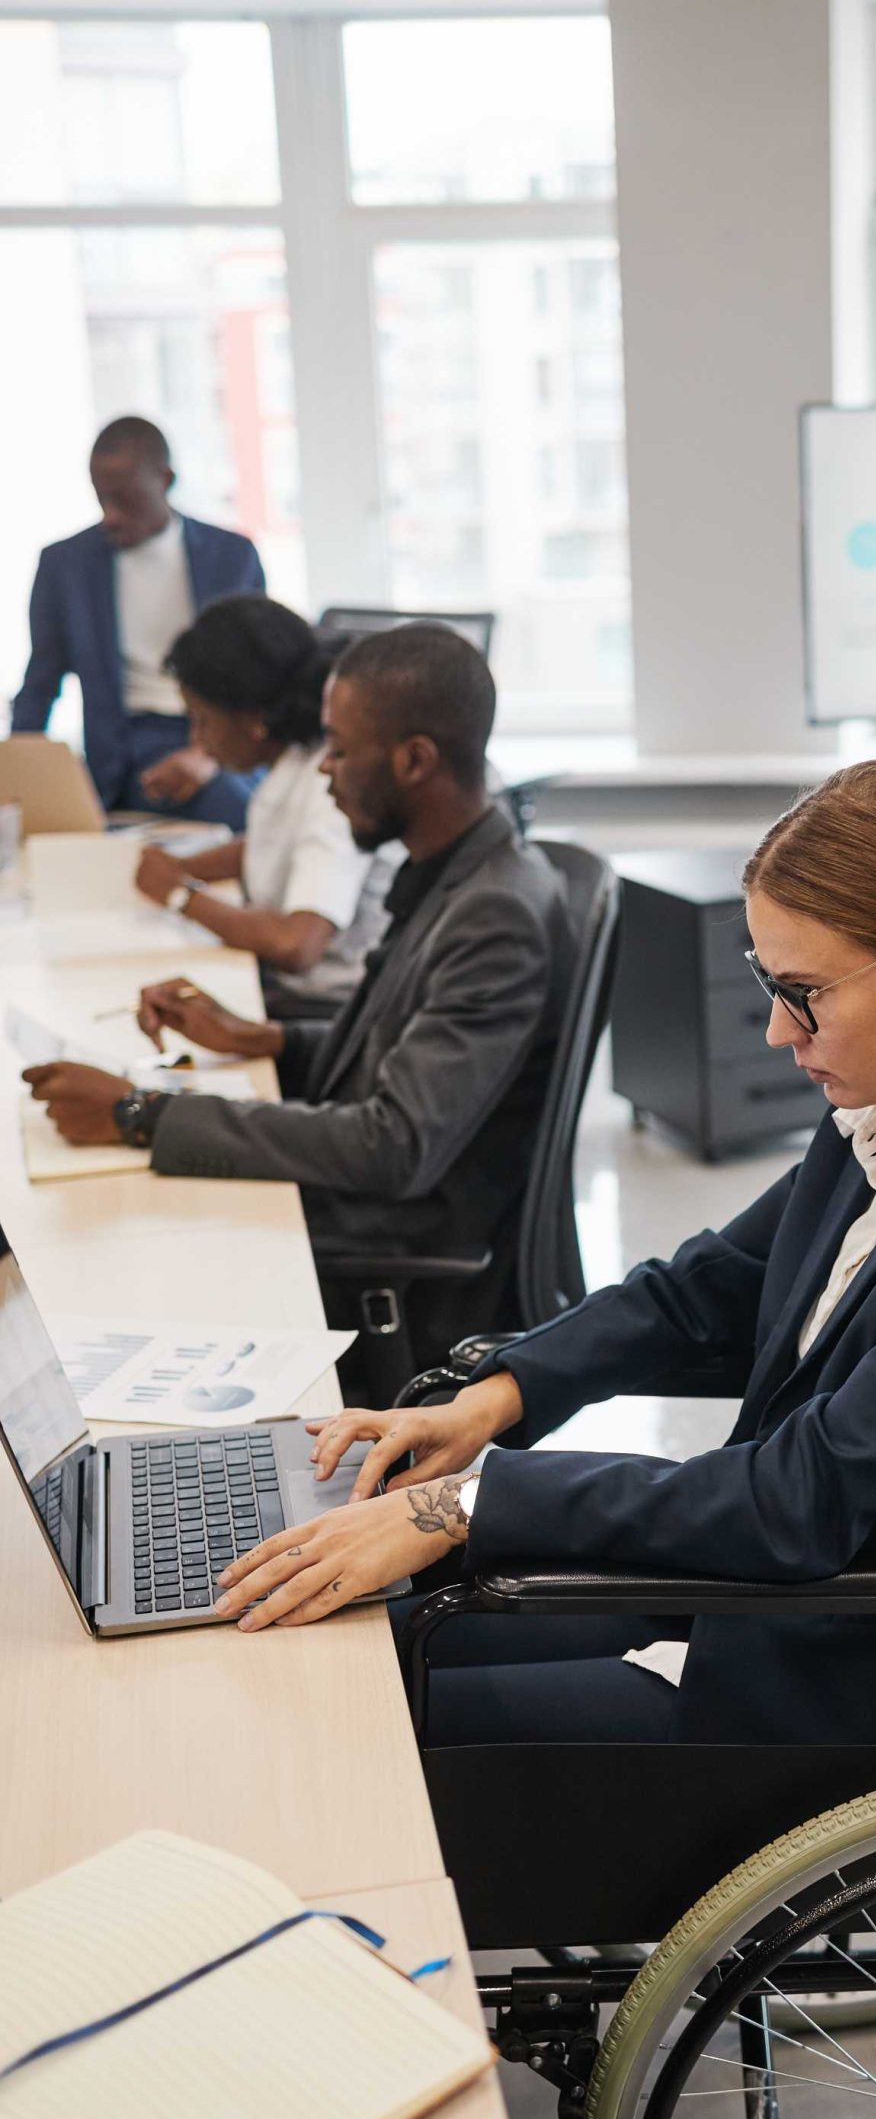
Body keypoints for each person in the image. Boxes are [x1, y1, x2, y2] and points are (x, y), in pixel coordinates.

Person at [199, 761, 876, 1753]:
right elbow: (700, 1296)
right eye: (768, 986)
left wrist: (467, 1503)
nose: (781, 1031)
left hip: (828, 1686)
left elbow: (797, 1497)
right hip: (753, 1593)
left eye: (805, 994)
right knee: (359, 1635)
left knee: (358, 1720)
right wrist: (495, 1397)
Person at [24, 624, 572, 1394]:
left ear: (414, 760)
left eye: (342, 750)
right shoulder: (457, 873)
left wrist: (140, 1114)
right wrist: (266, 1036)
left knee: (113, 1247)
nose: (324, 767)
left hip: (405, 1253)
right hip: (380, 1207)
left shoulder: (494, 913)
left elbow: (392, 1144)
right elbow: (402, 1049)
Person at [131, 594, 393, 1017]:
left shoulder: (328, 781)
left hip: (327, 1010)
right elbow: (273, 845)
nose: (198, 741)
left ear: (254, 720)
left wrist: (181, 894)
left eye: (203, 720)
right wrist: (183, 869)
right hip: (304, 996)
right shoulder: (296, 761)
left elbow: (297, 944)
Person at [10, 416, 267, 824]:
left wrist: (206, 755)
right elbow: (40, 684)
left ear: (165, 479)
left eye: (124, 499)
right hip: (120, 749)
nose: (111, 515)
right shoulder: (65, 565)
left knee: (239, 809)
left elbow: (262, 679)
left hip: (213, 742)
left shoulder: (232, 557)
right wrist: (16, 781)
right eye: (101, 498)